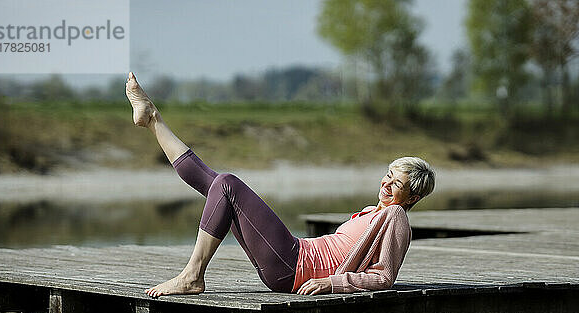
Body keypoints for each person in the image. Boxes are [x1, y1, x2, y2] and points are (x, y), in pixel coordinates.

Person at [125, 72, 435, 297]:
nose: (387, 184)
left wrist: (331, 284)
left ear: (412, 197)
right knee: (216, 184)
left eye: (398, 184)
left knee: (227, 184)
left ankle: (192, 275)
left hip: (294, 265)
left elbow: (384, 277)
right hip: (292, 260)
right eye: (388, 175)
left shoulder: (395, 218)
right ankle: (153, 119)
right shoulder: (374, 212)